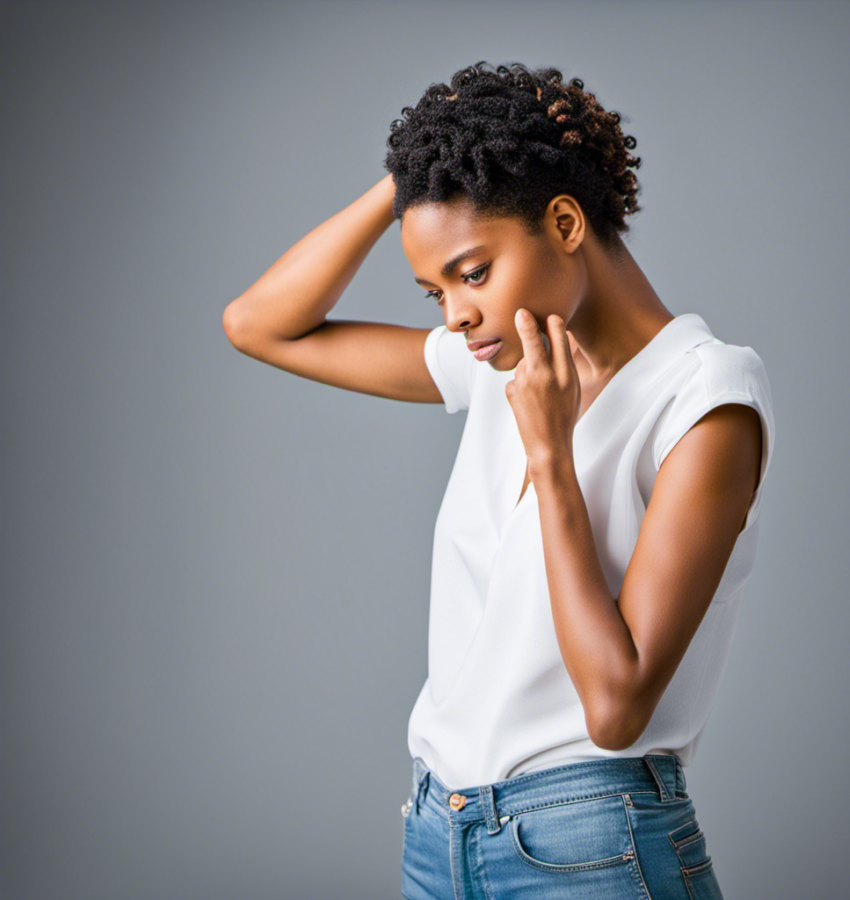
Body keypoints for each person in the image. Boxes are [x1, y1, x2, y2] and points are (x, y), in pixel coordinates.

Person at [223, 61, 775, 900]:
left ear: (563, 220)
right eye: (433, 288)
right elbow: (259, 325)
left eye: (472, 272)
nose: (454, 316)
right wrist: (418, 174)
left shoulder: (705, 399)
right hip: (437, 832)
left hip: (589, 846)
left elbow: (617, 708)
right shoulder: (498, 359)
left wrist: (552, 457)